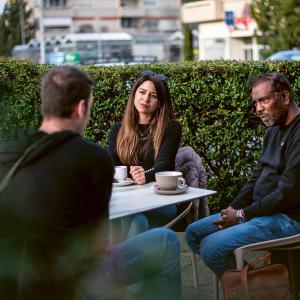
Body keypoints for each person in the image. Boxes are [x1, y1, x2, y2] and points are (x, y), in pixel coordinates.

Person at [0, 65, 181, 300]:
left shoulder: (7, 149)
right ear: (82, 108)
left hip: (10, 279)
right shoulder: (91, 158)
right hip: (63, 281)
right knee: (166, 241)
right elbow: (98, 245)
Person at [185, 72, 300, 278]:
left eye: (263, 100)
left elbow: (287, 193)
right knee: (193, 233)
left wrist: (242, 215)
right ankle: (261, 282)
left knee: (212, 247)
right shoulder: (273, 131)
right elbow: (256, 176)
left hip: (289, 218)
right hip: (261, 212)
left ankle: (260, 288)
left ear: (284, 97)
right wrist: (234, 207)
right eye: (255, 102)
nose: (258, 109)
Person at [108, 70, 182, 238]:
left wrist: (145, 176)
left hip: (161, 199)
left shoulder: (171, 128)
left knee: (126, 214)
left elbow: (163, 165)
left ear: (160, 102)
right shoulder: (118, 129)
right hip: (127, 198)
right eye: (142, 92)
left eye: (153, 95)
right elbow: (112, 165)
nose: (146, 99)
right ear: (134, 94)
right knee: (137, 220)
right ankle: (127, 261)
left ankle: (115, 260)